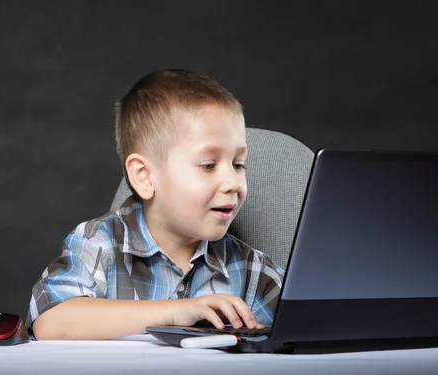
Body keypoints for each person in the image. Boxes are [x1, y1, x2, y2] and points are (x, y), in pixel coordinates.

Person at [26, 69, 284, 340]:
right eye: (208, 165)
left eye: (238, 165)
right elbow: (51, 320)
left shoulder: (250, 269)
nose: (233, 182)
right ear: (145, 177)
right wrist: (173, 313)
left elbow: (313, 328)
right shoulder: (99, 244)